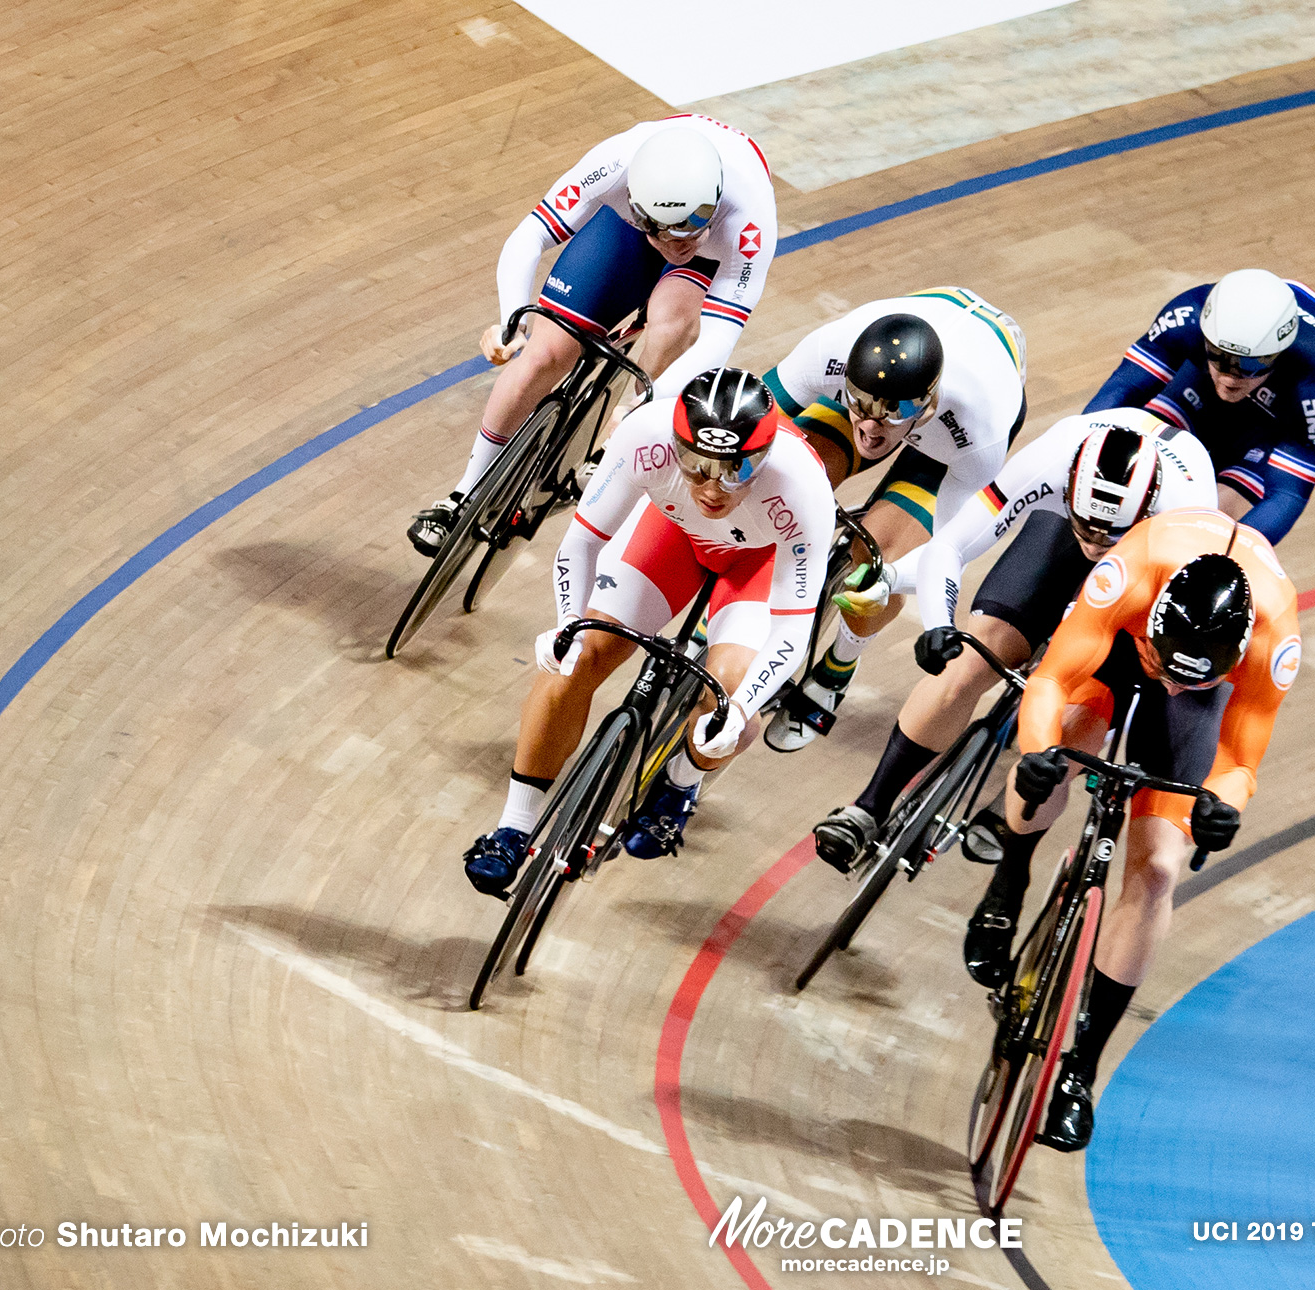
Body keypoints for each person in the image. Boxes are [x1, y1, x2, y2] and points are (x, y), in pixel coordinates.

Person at [976, 508, 1302, 1151]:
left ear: (1233, 656)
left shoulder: (1274, 632)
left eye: (1197, 674)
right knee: (1060, 749)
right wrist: (1038, 751)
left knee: (1156, 872)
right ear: (1155, 623)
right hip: (1114, 649)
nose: (1175, 685)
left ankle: (1079, 1073)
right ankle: (1006, 887)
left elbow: (1240, 760)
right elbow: (1050, 679)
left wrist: (1222, 803)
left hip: (1189, 666)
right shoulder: (1130, 573)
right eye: (1170, 665)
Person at [459, 368, 836, 893]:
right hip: (674, 537)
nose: (712, 486)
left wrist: (744, 707)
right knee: (578, 658)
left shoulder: (802, 489)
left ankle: (682, 782)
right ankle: (513, 827)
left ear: (766, 455)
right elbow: (580, 545)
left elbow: (792, 633)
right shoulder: (646, 435)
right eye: (697, 465)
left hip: (757, 567)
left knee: (727, 701)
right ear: (676, 445)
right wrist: (568, 622)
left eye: (735, 469)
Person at [810, 408, 1219, 869]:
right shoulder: (1051, 458)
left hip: (1146, 569)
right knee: (967, 662)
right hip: (1062, 528)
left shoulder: (1186, 520)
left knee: (1087, 705)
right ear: (1070, 491)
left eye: (1110, 535)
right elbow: (952, 545)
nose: (1097, 544)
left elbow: (1158, 651)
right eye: (1089, 527)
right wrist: (939, 624)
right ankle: (868, 807)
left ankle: (1015, 844)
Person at [409, 115, 778, 555]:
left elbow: (716, 340)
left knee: (671, 319)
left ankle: (618, 432)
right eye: (671, 230)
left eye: (697, 222)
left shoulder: (748, 216)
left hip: (713, 258)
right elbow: (529, 237)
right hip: (625, 230)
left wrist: (649, 402)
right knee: (544, 355)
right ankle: (463, 494)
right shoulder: (614, 166)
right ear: (639, 208)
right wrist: (513, 324)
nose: (684, 241)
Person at [756, 288, 1029, 750]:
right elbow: (748, 418)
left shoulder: (976, 432)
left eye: (893, 413)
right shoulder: (832, 351)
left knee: (880, 563)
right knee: (792, 483)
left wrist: (892, 580)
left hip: (951, 435)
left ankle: (840, 666)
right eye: (861, 405)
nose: (871, 426)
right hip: (921, 332)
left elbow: (948, 550)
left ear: (928, 400)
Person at [1087, 268, 1315, 544]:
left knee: (1203, 531)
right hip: (1198, 390)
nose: (1229, 377)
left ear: (1279, 353)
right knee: (1121, 474)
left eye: (1249, 365)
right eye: (1219, 356)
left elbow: (1287, 493)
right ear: (1205, 336)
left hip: (1273, 425)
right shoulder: (1188, 314)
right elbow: (1118, 394)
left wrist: (1229, 555)